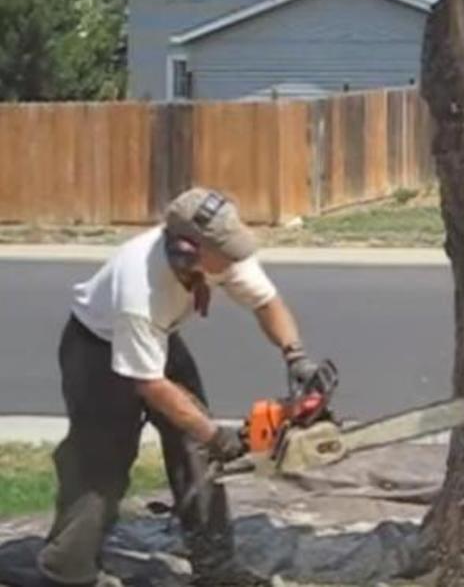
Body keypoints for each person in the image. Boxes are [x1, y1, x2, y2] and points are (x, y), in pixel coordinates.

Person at [36, 188, 336, 587]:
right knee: (101, 465)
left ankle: (215, 566)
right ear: (185, 250)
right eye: (225, 253)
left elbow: (267, 302)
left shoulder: (222, 255)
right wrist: (215, 435)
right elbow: (149, 384)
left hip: (159, 342)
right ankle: (66, 571)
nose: (235, 260)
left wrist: (295, 356)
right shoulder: (139, 291)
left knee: (195, 448)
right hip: (98, 351)